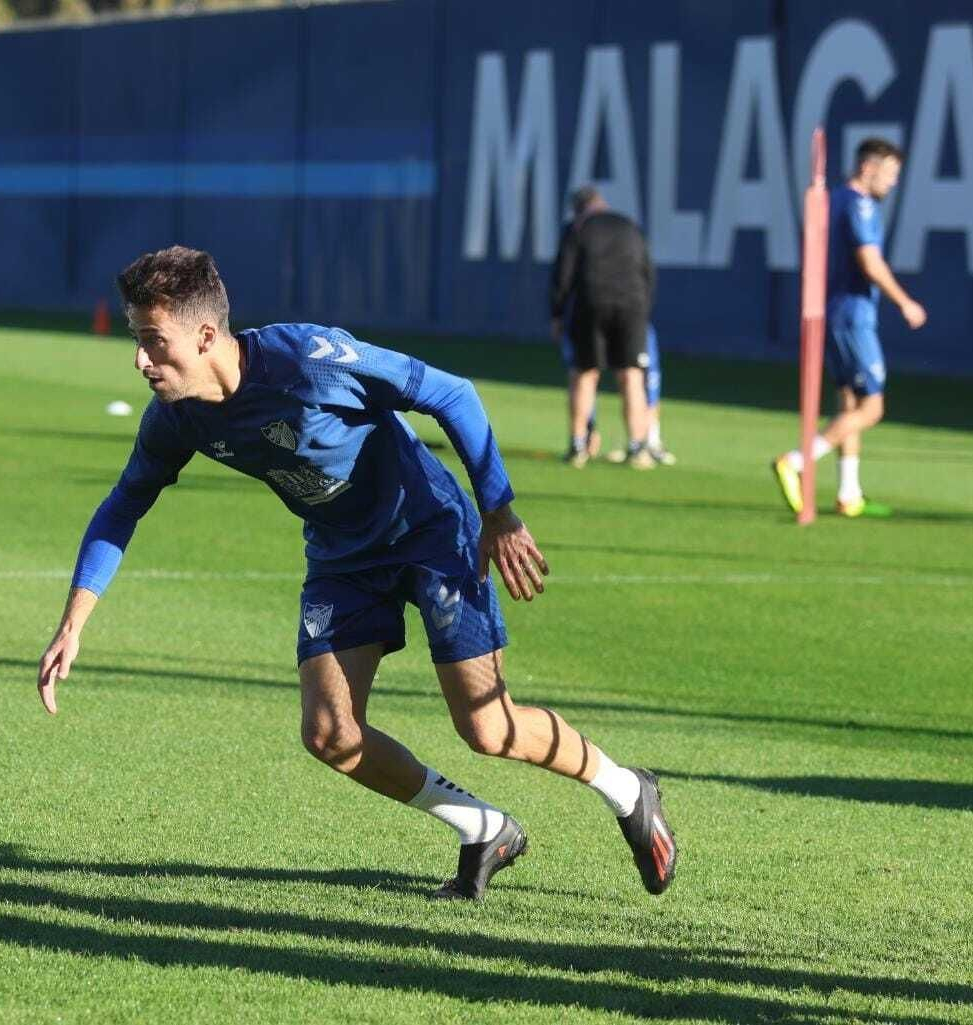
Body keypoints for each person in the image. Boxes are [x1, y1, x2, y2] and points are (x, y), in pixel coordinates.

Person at [37, 246, 678, 900]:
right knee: (329, 733)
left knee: (487, 727)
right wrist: (73, 624)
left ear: (205, 336)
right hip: (344, 555)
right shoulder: (176, 418)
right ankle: (484, 827)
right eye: (136, 339)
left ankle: (628, 789)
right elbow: (124, 505)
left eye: (153, 341)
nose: (141, 360)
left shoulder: (308, 361)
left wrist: (499, 511)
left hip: (429, 528)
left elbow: (449, 393)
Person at [771, 138, 926, 518]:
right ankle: (796, 461)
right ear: (868, 168)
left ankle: (848, 493)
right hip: (853, 315)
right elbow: (869, 262)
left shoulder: (834, 199)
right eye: (889, 174)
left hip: (832, 311)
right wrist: (904, 301)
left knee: (849, 403)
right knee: (872, 408)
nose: (892, 184)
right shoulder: (860, 205)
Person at [550, 185, 658, 469]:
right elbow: (648, 271)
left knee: (584, 375)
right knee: (632, 376)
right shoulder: (630, 226)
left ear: (577, 209)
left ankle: (578, 446)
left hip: (591, 303)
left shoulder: (578, 228)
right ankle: (638, 447)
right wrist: (643, 309)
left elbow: (563, 274)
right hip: (632, 305)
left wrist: (558, 314)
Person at [563, 321, 675, 466]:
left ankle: (648, 441)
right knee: (594, 372)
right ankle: (586, 439)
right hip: (612, 309)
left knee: (630, 373)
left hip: (620, 309)